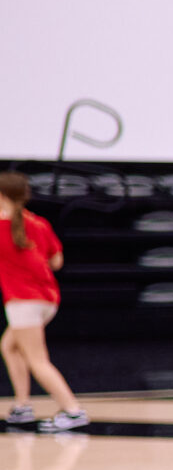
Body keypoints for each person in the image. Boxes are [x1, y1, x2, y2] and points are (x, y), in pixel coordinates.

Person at [0, 172, 84, 432]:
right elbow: (56, 261)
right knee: (9, 346)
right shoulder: (38, 223)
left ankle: (72, 411)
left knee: (37, 360)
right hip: (47, 299)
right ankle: (23, 406)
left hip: (23, 301)